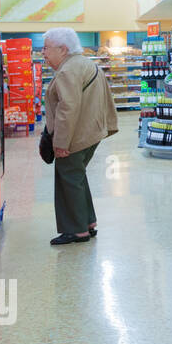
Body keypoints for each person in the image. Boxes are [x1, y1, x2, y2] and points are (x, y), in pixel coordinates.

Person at [42, 28, 118, 245]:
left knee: (68, 179)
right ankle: (87, 222)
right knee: (77, 177)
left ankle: (76, 231)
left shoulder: (68, 71)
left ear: (63, 49)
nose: (43, 53)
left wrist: (61, 143)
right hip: (90, 132)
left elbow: (68, 109)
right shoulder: (86, 64)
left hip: (75, 135)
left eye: (46, 48)